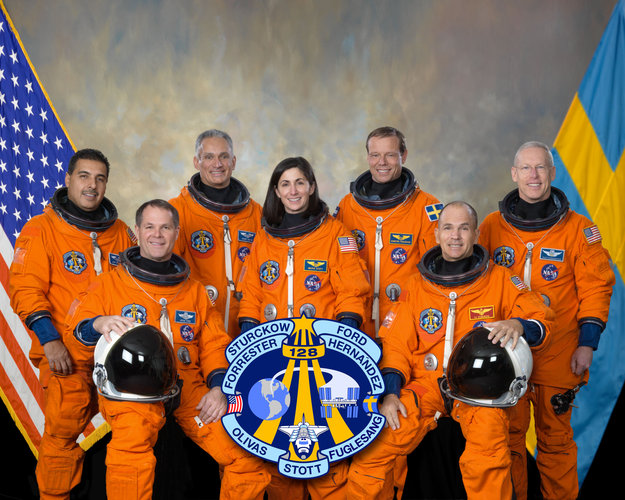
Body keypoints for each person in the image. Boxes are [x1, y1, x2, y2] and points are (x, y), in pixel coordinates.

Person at [347, 201, 555, 500]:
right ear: (436, 234)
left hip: (480, 390)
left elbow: (542, 319)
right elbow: (395, 346)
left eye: (463, 228)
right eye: (448, 228)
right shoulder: (416, 286)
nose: (455, 236)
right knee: (374, 448)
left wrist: (519, 323)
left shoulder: (500, 280)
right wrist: (391, 394)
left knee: (488, 456)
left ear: (476, 234)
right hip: (427, 386)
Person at [65, 200, 270, 500]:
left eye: (165, 227)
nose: (157, 234)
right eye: (149, 226)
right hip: (131, 390)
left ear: (176, 232)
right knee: (131, 455)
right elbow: (77, 331)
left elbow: (214, 345)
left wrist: (217, 388)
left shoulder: (195, 290)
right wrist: (97, 323)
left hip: (188, 388)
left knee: (246, 455)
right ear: (137, 231)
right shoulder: (110, 284)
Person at [479, 141, 615, 500]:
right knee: (508, 443)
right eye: (526, 168)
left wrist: (587, 343)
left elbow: (597, 288)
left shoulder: (579, 230)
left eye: (541, 168)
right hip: (507, 353)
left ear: (552, 174)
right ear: (514, 174)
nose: (534, 175)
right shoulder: (492, 226)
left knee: (555, 443)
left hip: (559, 352)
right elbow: (477, 285)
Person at [238, 157, 371, 500]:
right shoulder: (264, 237)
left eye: (300, 182)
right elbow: (251, 294)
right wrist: (248, 345)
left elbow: (352, 291)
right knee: (278, 446)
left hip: (323, 355)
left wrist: (344, 343)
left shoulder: (336, 234)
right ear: (276, 191)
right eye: (285, 184)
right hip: (273, 357)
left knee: (330, 448)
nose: (293, 190)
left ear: (312, 187)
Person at [8, 148, 135, 500]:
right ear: (67, 179)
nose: (92, 185)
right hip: (68, 355)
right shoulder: (42, 228)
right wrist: (50, 340)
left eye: (99, 178)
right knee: (62, 437)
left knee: (132, 436)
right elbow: (25, 288)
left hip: (116, 357)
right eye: (84, 176)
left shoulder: (121, 233)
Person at [335, 126, 442, 339]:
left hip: (405, 321)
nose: (381, 162)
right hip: (357, 319)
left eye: (390, 155)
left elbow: (435, 273)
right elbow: (337, 266)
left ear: (403, 155)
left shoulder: (427, 208)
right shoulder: (348, 206)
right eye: (375, 155)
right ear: (368, 157)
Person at [170, 129, 262, 337]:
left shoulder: (256, 214)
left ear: (234, 161)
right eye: (209, 157)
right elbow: (168, 274)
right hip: (195, 325)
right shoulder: (177, 211)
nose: (217, 164)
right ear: (196, 161)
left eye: (224, 156)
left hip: (245, 324)